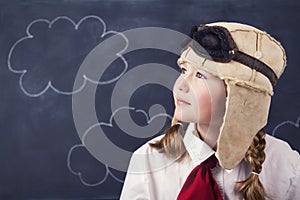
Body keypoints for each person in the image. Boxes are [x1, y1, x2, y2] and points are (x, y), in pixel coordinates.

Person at [120, 22, 300, 200]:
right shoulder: (148, 161)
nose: (181, 86)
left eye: (200, 75)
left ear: (240, 95)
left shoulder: (285, 165)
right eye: (183, 70)